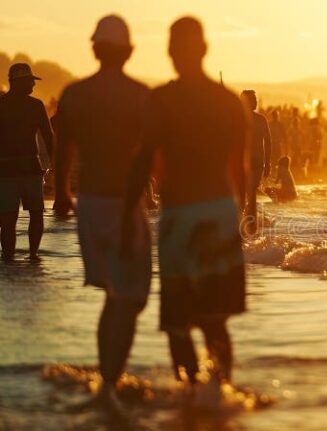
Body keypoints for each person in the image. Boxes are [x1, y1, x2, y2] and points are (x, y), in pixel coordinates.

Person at [121, 16, 248, 395]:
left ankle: (191, 395)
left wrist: (129, 210)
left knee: (178, 320)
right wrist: (243, 213)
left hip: (180, 215)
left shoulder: (162, 99)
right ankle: (221, 394)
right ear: (205, 50)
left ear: (170, 52)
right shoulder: (228, 101)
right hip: (219, 213)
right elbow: (239, 168)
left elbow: (144, 158)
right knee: (215, 317)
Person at [51, 15, 152, 409]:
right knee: (132, 294)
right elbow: (145, 158)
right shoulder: (139, 95)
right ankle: (109, 382)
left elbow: (64, 150)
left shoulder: (75, 93)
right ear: (128, 51)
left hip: (89, 202)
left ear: (95, 49)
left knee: (115, 293)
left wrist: (62, 192)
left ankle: (106, 377)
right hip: (123, 201)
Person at [0, 63, 53, 262]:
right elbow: (49, 136)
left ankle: (7, 259)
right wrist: (56, 165)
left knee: (7, 219)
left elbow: (49, 136)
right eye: (30, 80)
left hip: (5, 171)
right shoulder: (35, 106)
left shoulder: (2, 105)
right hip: (29, 169)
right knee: (36, 213)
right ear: (20, 82)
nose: (33, 84)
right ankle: (33, 256)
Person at [240, 90, 271, 215]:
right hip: (245, 161)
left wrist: (267, 163)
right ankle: (248, 222)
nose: (256, 102)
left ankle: (249, 222)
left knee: (249, 191)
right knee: (248, 192)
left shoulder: (260, 119)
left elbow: (268, 142)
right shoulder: (239, 119)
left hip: (255, 161)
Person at [268, 110, 286, 174]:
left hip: (278, 144)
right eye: (274, 115)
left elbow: (284, 135)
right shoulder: (270, 124)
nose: (275, 116)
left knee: (278, 159)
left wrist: (285, 144)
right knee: (272, 158)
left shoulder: (280, 125)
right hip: (272, 143)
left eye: (276, 115)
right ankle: (273, 172)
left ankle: (277, 173)